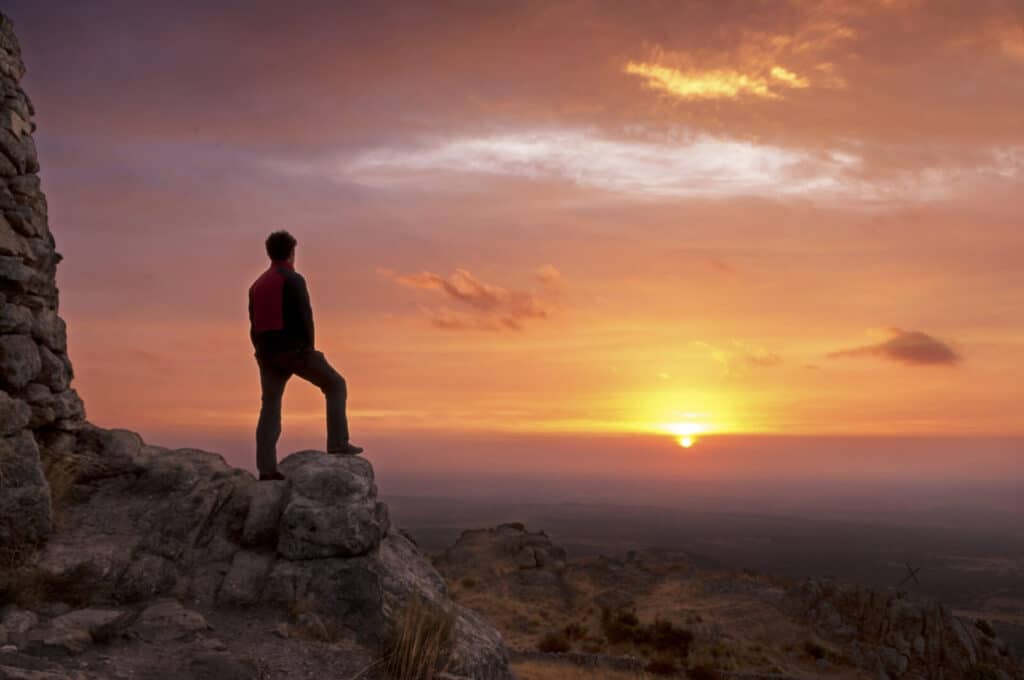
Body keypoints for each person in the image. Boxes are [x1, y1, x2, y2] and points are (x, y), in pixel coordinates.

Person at [248, 230, 363, 481]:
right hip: (294, 351)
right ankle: (338, 443)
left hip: (267, 354)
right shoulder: (293, 279)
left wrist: (260, 352)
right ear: (291, 252)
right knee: (335, 384)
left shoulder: (256, 285)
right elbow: (305, 317)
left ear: (269, 252)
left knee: (270, 407)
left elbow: (253, 324)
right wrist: (309, 349)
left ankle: (266, 469)